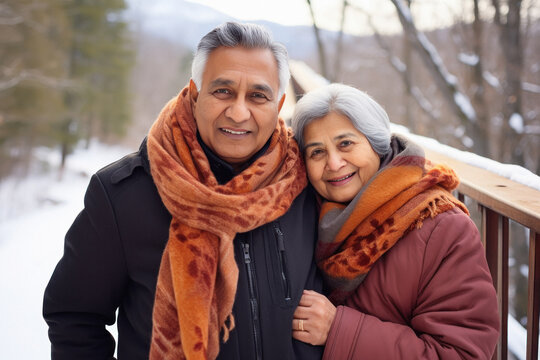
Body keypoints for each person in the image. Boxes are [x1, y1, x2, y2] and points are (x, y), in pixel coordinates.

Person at [43, 22, 324, 360]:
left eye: (258, 96)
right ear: (194, 95)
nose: (238, 112)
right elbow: (75, 318)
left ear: (278, 106)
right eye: (222, 91)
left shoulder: (308, 184)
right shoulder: (122, 196)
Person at [289, 83, 500, 359]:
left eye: (346, 144)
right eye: (317, 152)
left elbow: (462, 353)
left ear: (378, 144)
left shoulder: (443, 228)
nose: (334, 163)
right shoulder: (304, 216)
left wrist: (337, 330)